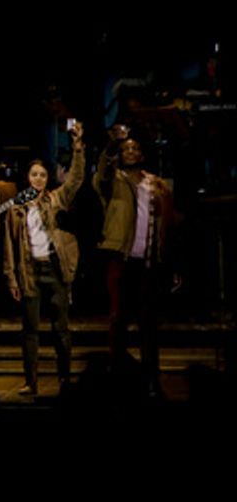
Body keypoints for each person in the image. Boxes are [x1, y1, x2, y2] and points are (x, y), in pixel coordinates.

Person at [93, 125, 179, 398]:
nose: (130, 152)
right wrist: (110, 144)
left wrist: (170, 262)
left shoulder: (156, 184)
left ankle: (151, 380)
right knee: (118, 321)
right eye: (125, 148)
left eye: (134, 148)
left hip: (149, 262)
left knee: (148, 323)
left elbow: (168, 225)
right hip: (123, 259)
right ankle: (117, 379)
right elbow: (102, 174)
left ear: (141, 153)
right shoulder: (114, 181)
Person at [2, 121, 85, 395]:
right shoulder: (15, 209)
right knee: (30, 330)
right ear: (27, 177)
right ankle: (31, 381)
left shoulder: (54, 199)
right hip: (29, 272)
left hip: (55, 269)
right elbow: (9, 248)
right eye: (34, 174)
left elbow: (74, 180)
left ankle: (64, 378)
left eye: (42, 175)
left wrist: (77, 147)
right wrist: (11, 277)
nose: (38, 179)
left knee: (61, 328)